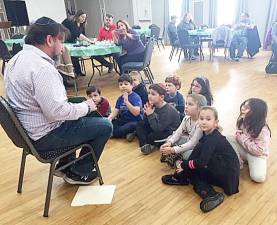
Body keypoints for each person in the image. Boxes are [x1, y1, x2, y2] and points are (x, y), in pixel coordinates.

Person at [4, 17, 113, 185]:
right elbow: (57, 113)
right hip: (45, 138)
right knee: (105, 126)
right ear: (49, 40)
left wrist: (80, 106)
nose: (63, 48)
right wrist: (87, 106)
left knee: (81, 108)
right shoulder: (42, 69)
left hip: (27, 134)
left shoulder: (15, 60)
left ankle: (65, 165)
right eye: (61, 42)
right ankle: (78, 172)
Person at [162, 107, 240, 213]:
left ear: (216, 123)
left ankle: (206, 191)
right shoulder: (208, 134)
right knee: (195, 164)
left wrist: (184, 165)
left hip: (227, 175)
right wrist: (185, 166)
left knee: (195, 167)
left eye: (208, 119)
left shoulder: (213, 138)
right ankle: (208, 193)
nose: (204, 122)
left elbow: (202, 161)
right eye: (201, 118)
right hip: (221, 169)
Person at [227, 98, 271, 183]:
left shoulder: (263, 130)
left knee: (258, 178)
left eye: (247, 107)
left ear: (256, 113)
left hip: (257, 155)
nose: (242, 108)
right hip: (245, 149)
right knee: (227, 138)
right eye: (244, 105)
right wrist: (240, 137)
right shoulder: (242, 120)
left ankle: (249, 161)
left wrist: (241, 137)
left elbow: (258, 151)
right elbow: (238, 134)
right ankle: (238, 162)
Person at [160, 93, 207, 167]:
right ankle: (176, 157)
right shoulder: (186, 118)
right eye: (186, 103)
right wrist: (169, 142)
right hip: (188, 141)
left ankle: (177, 160)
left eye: (190, 104)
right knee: (169, 139)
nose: (186, 106)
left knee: (187, 155)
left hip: (197, 149)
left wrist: (173, 150)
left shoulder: (200, 124)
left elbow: (192, 144)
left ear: (200, 108)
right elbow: (178, 133)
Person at [136, 83, 181, 155]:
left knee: (151, 136)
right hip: (157, 126)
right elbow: (146, 122)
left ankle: (149, 143)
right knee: (139, 125)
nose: (149, 96)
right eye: (149, 93)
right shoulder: (153, 104)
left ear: (162, 97)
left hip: (168, 132)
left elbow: (158, 128)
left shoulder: (168, 110)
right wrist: (146, 114)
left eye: (153, 94)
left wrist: (150, 115)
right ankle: (144, 145)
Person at [108, 74, 143, 142]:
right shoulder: (120, 98)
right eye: (121, 85)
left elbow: (136, 113)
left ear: (132, 85)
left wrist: (127, 102)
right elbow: (115, 112)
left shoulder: (136, 97)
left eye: (126, 84)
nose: (123, 86)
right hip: (123, 120)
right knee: (110, 124)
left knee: (129, 127)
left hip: (134, 121)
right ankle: (126, 134)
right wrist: (108, 119)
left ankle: (116, 133)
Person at [62, 10, 93, 76]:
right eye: (82, 17)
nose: (83, 19)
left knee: (75, 55)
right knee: (72, 55)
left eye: (85, 18)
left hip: (72, 40)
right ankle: (72, 73)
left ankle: (78, 71)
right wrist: (90, 41)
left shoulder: (82, 24)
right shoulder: (71, 22)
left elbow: (83, 34)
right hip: (64, 40)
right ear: (77, 16)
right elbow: (78, 34)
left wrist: (87, 41)